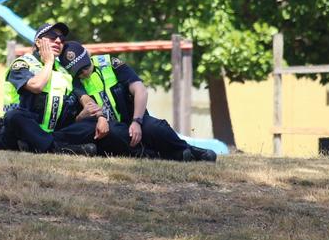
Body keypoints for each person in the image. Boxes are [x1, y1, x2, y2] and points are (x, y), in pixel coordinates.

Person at [59, 41, 217, 162]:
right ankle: (163, 156)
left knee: (156, 127)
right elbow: (86, 102)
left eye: (85, 66)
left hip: (134, 118)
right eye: (78, 71)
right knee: (115, 133)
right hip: (110, 129)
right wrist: (97, 117)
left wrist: (136, 121)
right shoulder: (74, 82)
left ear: (88, 55)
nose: (84, 73)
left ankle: (188, 150)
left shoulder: (110, 64)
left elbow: (140, 89)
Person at [0, 22, 128, 156]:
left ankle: (42, 146)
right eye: (52, 37)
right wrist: (49, 61)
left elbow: (84, 97)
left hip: (54, 133)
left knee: (94, 125)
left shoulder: (65, 71)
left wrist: (99, 116)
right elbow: (36, 86)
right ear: (38, 42)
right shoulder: (22, 63)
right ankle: (60, 149)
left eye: (61, 39)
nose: (58, 41)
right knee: (14, 116)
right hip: (21, 130)